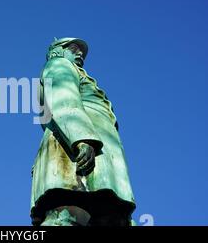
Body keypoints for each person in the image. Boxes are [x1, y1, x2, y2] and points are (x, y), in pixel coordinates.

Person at [30, 37, 136, 226]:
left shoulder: (78, 73)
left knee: (109, 218)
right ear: (57, 51)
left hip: (98, 158)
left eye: (81, 51)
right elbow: (63, 99)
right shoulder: (59, 65)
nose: (80, 53)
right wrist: (81, 138)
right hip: (77, 151)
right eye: (73, 48)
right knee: (69, 215)